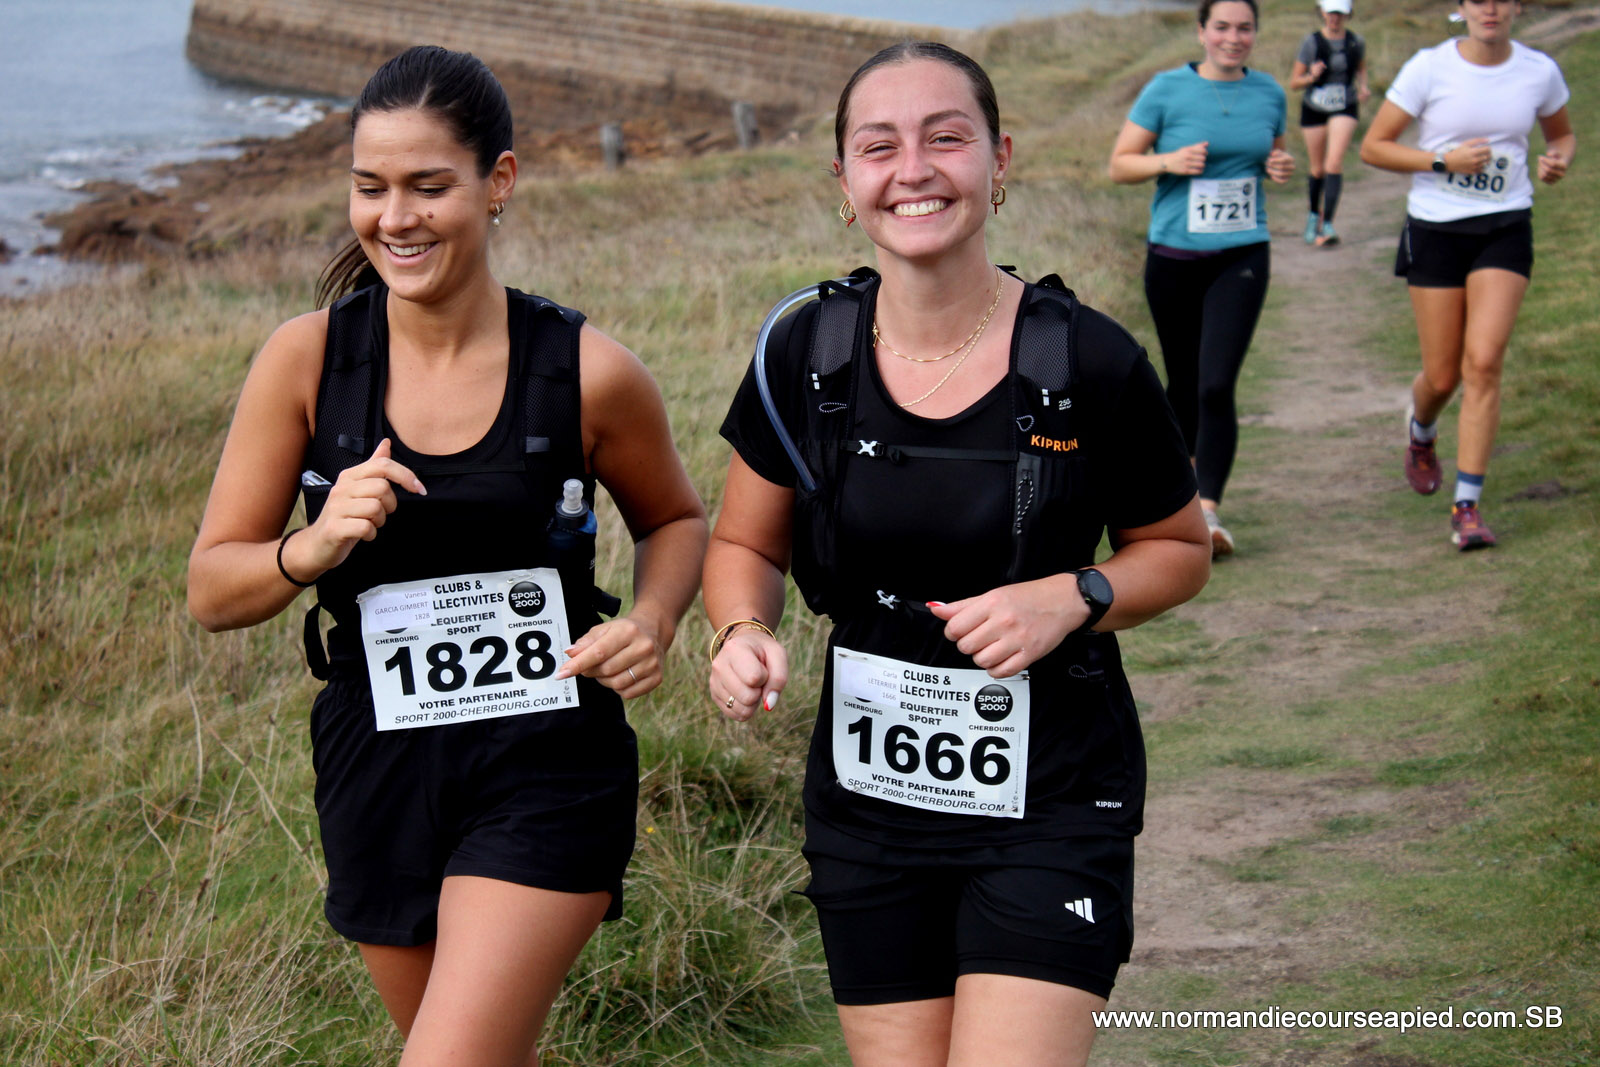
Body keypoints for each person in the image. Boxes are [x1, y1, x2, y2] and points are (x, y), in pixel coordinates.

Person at [187, 45, 707, 1065]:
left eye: (429, 186)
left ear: (497, 182)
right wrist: (315, 542)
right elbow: (212, 588)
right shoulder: (305, 360)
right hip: (376, 758)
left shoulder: (587, 372)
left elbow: (677, 521)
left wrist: (651, 621)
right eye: (370, 188)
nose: (395, 217)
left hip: (545, 753)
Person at [704, 41, 1211, 1067]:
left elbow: (1178, 547)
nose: (915, 169)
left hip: (1052, 795)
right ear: (844, 183)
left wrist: (1076, 593)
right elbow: (741, 541)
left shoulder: (1089, 359)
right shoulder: (803, 353)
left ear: (998, 159)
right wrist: (742, 628)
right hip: (867, 802)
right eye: (878, 146)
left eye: (947, 138)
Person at [1360, 0, 1573, 550]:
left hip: (1504, 227)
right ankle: (1422, 430)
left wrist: (1557, 159)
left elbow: (1561, 135)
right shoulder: (1430, 68)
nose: (1491, 9)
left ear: (1517, 7)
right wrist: (1441, 162)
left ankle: (1467, 505)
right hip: (1436, 230)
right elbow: (1374, 147)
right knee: (1442, 376)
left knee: (1483, 363)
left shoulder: (1539, 70)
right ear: (1462, 7)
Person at [1108, 0, 1295, 558]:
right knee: (1183, 384)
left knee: (1216, 383)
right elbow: (1121, 164)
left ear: (1255, 34)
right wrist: (1168, 162)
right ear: (1202, 32)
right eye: (1222, 27)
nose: (1234, 38)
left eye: (1244, 28)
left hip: (1241, 254)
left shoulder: (1269, 93)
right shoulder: (1166, 90)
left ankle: (1208, 512)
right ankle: (1177, 499)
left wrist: (1277, 168)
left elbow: (1273, 156)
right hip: (1172, 256)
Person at [1289, 0, 1371, 246]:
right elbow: (1294, 82)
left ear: (1347, 15)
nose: (1335, 18)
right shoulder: (1311, 42)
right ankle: (1313, 216)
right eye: (1331, 13)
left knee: (1333, 163)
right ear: (1322, 12)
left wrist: (1363, 88)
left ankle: (1328, 225)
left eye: (1340, 13)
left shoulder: (1356, 41)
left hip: (1345, 105)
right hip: (1314, 107)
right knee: (1317, 169)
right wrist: (1311, 76)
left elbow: (1361, 68)